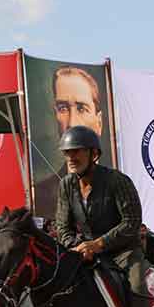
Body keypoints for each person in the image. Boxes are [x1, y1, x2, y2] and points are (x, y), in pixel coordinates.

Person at [55, 125, 151, 307]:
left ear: (93, 153)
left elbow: (131, 222)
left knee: (136, 285)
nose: (71, 157)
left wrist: (98, 244)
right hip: (83, 253)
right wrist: (76, 247)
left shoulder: (117, 181)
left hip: (123, 252)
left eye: (77, 151)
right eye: (67, 153)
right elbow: (62, 227)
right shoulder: (66, 185)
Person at [35, 66, 106, 218]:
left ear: (99, 122)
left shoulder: (117, 184)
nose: (72, 123)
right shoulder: (40, 195)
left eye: (82, 108)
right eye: (63, 108)